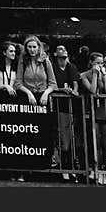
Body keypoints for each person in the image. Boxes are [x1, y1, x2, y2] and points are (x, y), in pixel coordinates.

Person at [50, 44, 80, 177]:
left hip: (70, 107)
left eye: (65, 49)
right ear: (55, 54)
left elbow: (75, 84)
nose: (63, 50)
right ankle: (63, 167)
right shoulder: (52, 67)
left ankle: (71, 166)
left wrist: (74, 91)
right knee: (61, 138)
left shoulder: (71, 67)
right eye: (60, 49)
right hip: (57, 105)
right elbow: (51, 84)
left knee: (70, 137)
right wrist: (62, 90)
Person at [15, 36, 57, 107]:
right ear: (26, 48)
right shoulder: (23, 62)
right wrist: (29, 93)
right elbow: (18, 84)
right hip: (27, 98)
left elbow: (53, 84)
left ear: (38, 47)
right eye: (29, 47)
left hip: (43, 98)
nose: (32, 49)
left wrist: (46, 93)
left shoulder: (46, 62)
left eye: (34, 47)